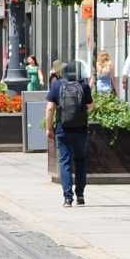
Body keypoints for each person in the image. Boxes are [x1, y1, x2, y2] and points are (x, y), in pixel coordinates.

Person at [45, 63, 93, 208]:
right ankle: (80, 195)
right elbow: (91, 106)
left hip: (62, 129)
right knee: (80, 161)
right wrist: (81, 115)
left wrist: (49, 128)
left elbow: (49, 108)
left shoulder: (56, 85)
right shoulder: (84, 86)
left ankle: (67, 198)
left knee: (65, 162)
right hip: (81, 130)